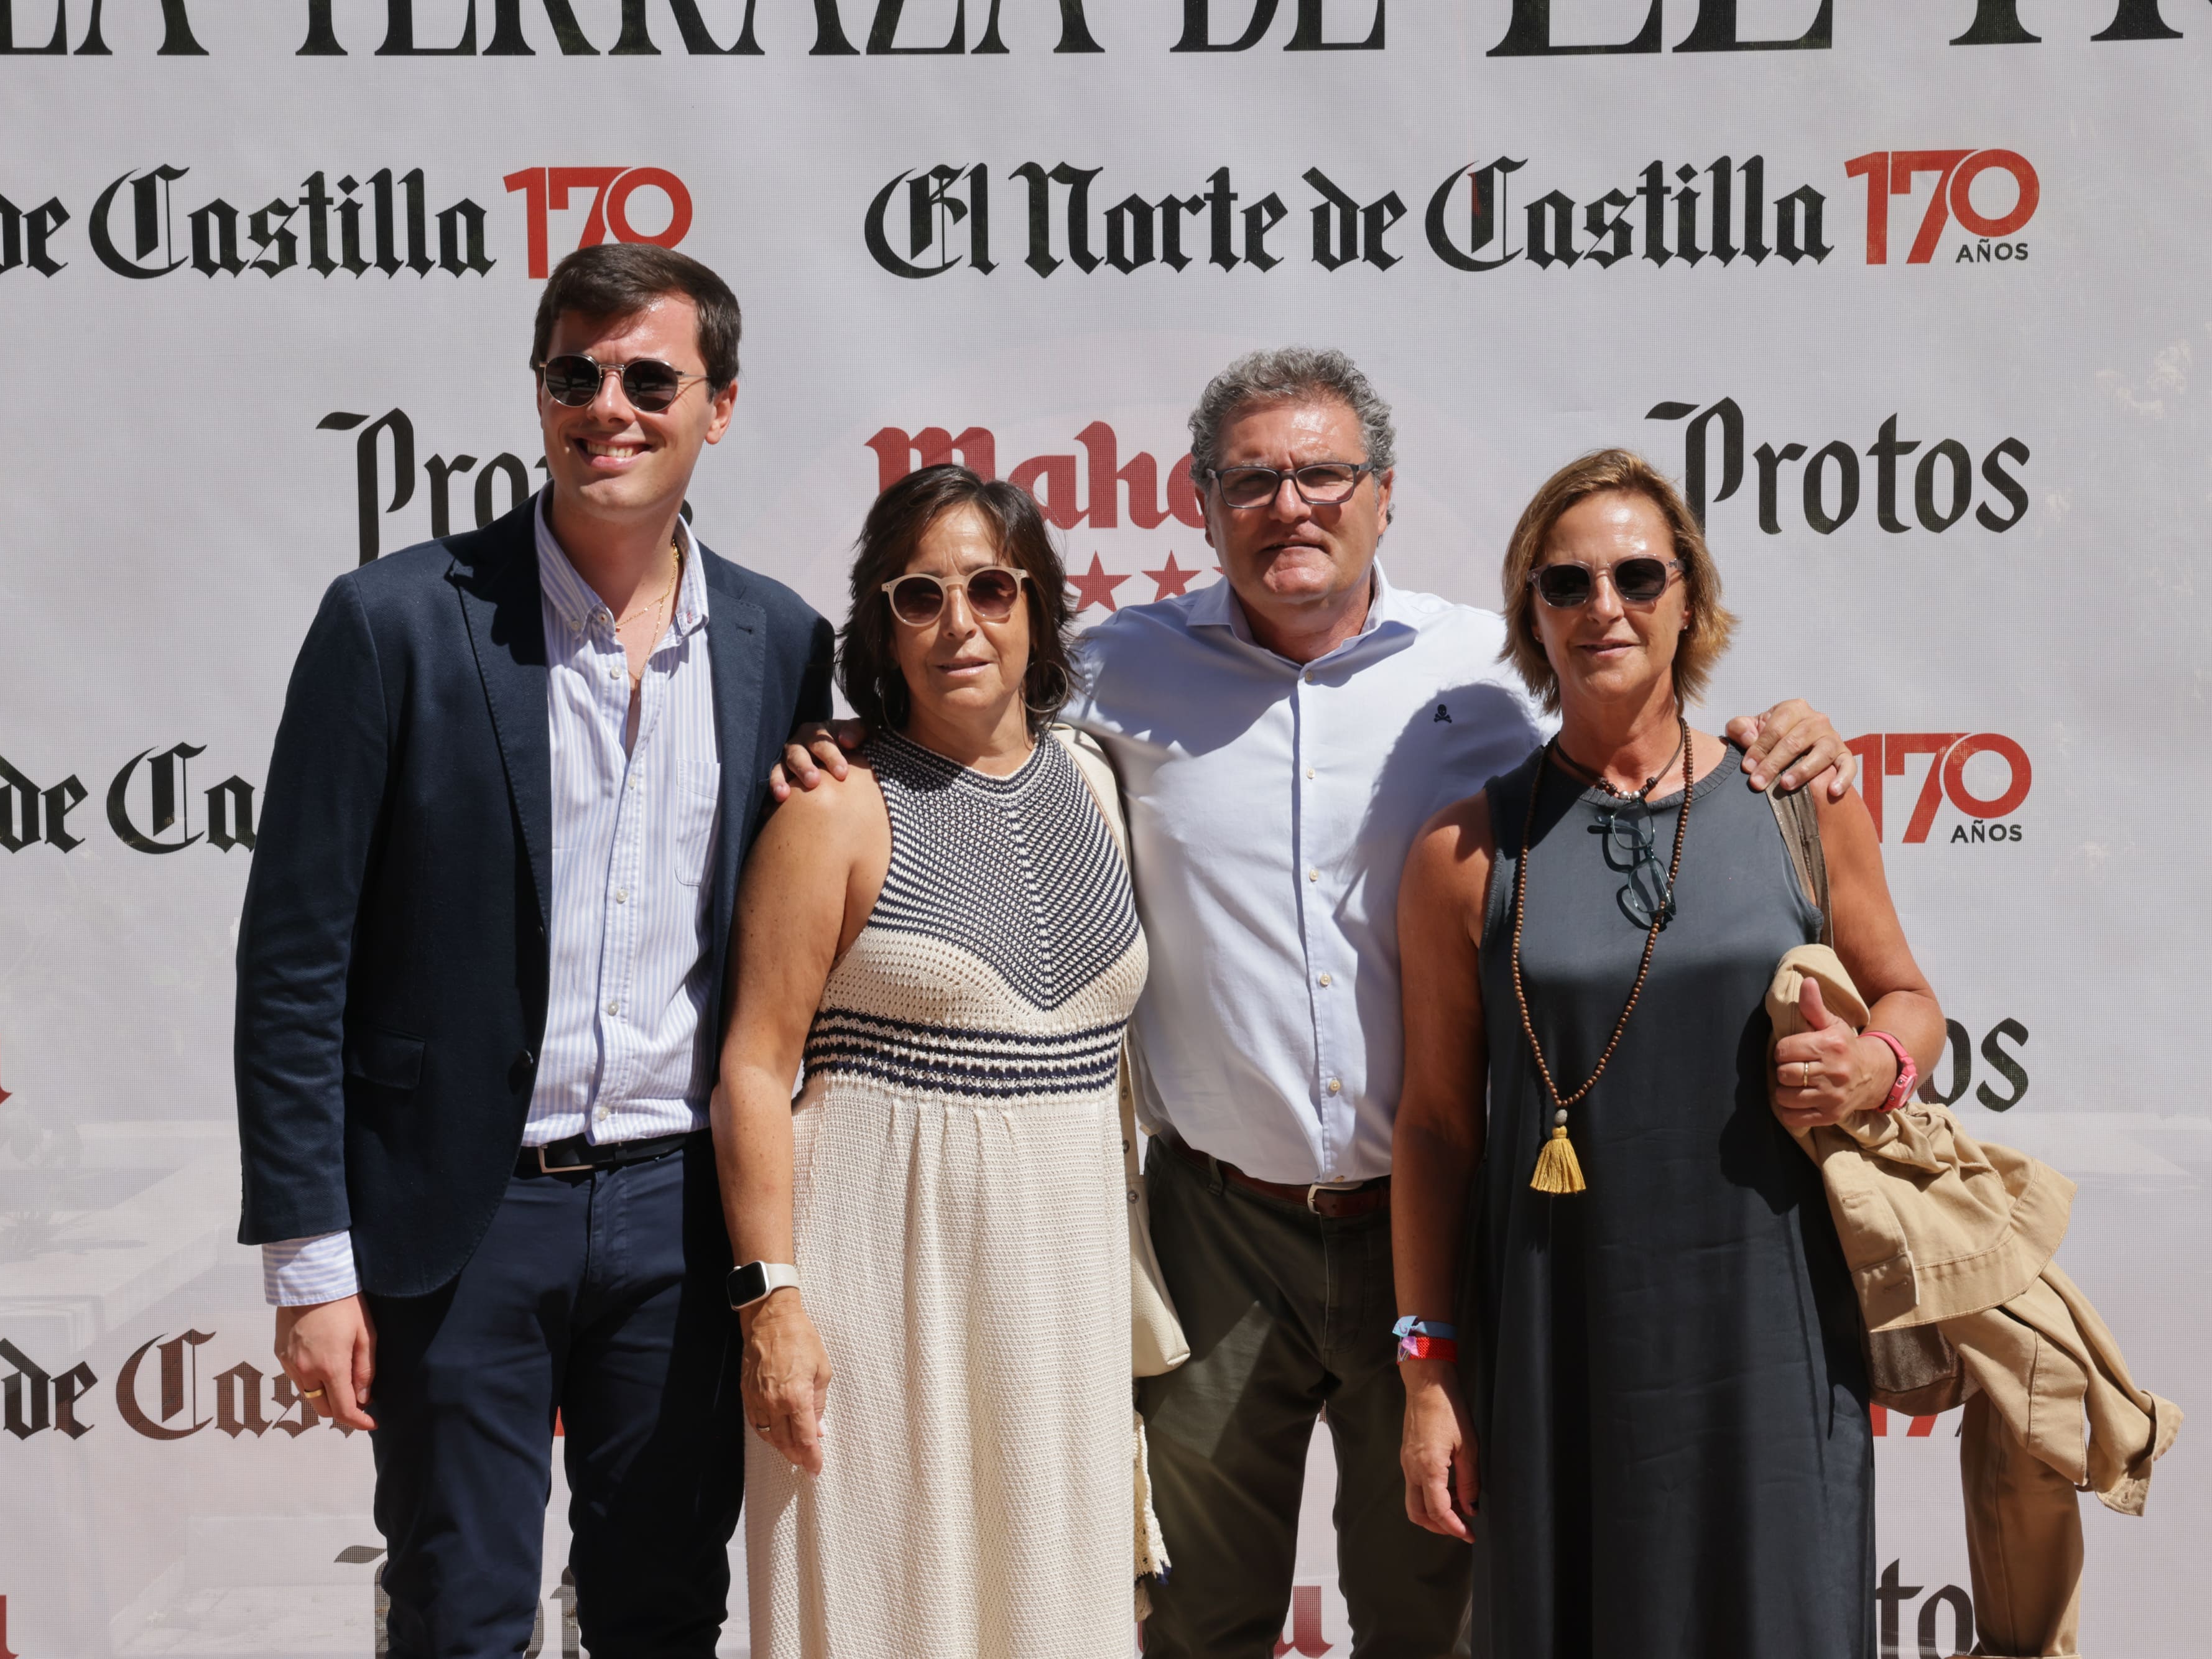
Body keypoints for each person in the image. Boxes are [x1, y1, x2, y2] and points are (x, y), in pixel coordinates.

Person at [778, 350, 1857, 1658]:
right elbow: (959, 698)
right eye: (1250, 479)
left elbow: (1636, 718)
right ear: (1202, 501)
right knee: (1188, 1618)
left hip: (1441, 1230)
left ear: (1383, 494)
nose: (1287, 503)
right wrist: (845, 738)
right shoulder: (1113, 669)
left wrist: (1784, 727)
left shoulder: (1492, 670)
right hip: (1214, 1239)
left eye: (1320, 473)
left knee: (1434, 1612)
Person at [233, 243, 834, 1658]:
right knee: (458, 1614)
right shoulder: (392, 621)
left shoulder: (780, 640)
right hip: (459, 1214)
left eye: (647, 377)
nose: (607, 406)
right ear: (540, 393)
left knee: (665, 1610)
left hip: (682, 1222)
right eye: (575, 374)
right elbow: (294, 961)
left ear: (718, 406)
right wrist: (310, 1264)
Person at [1390, 448, 1948, 1658]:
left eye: (1638, 573)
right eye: (1565, 583)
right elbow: (1435, 1126)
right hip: (1554, 1343)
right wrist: (1426, 1375)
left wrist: (1875, 1070)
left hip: (1773, 1328)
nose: (1604, 607)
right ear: (1529, 614)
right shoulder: (1463, 852)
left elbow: (1907, 998)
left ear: (1688, 595)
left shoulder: (1798, 796)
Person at [715, 464, 1149, 1659]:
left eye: (991, 588)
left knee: (1049, 1609)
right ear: (882, 628)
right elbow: (754, 1070)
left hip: (1059, 1300)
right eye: (919, 596)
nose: (959, 623)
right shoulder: (837, 807)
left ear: (1039, 609)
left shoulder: (1101, 783)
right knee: (888, 1605)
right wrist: (774, 1305)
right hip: (878, 1299)